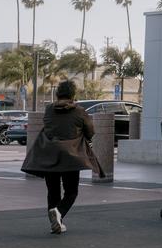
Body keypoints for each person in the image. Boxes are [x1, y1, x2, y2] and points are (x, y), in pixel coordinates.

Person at [20, 79, 101, 235]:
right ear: (72, 94)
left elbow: (48, 125)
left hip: (49, 154)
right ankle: (59, 213)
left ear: (58, 94)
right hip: (71, 156)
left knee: (53, 191)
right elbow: (90, 131)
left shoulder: (49, 109)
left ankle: (56, 222)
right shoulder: (79, 111)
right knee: (71, 191)